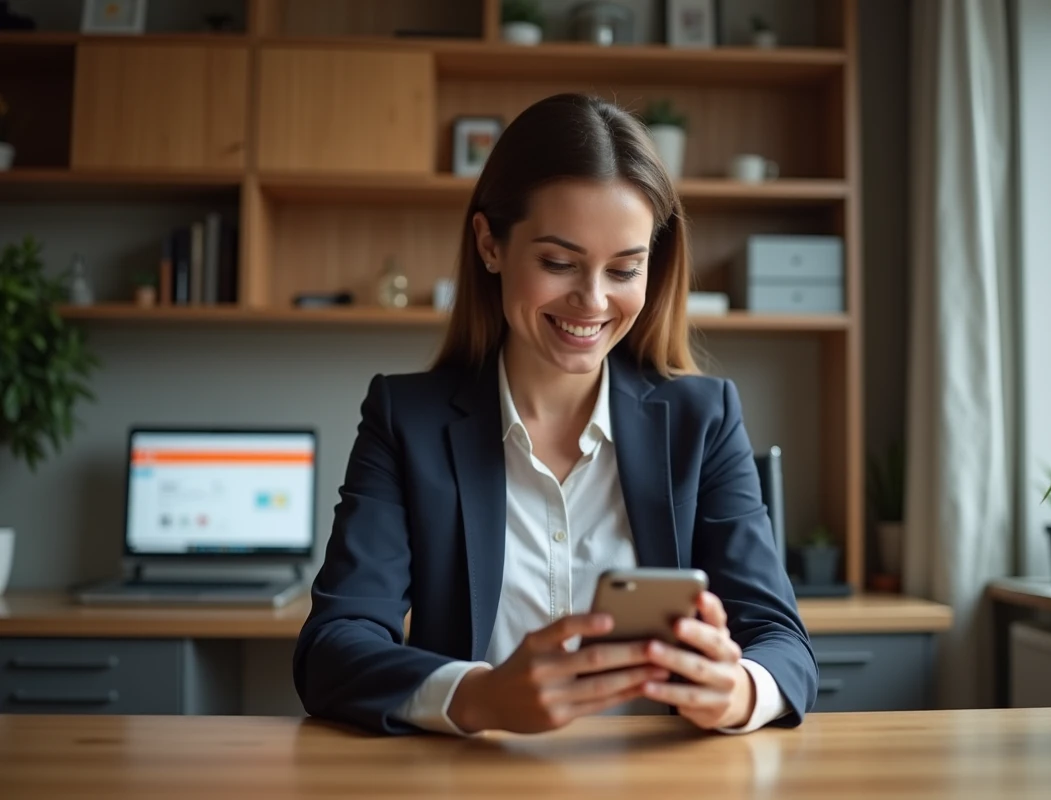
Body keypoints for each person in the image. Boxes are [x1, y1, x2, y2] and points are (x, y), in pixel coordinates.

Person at [293, 93, 819, 736]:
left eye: (624, 268)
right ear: (490, 243)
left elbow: (783, 643)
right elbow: (332, 649)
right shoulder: (407, 421)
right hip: (479, 780)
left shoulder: (702, 421)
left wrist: (736, 691)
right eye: (558, 263)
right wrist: (480, 696)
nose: (592, 301)